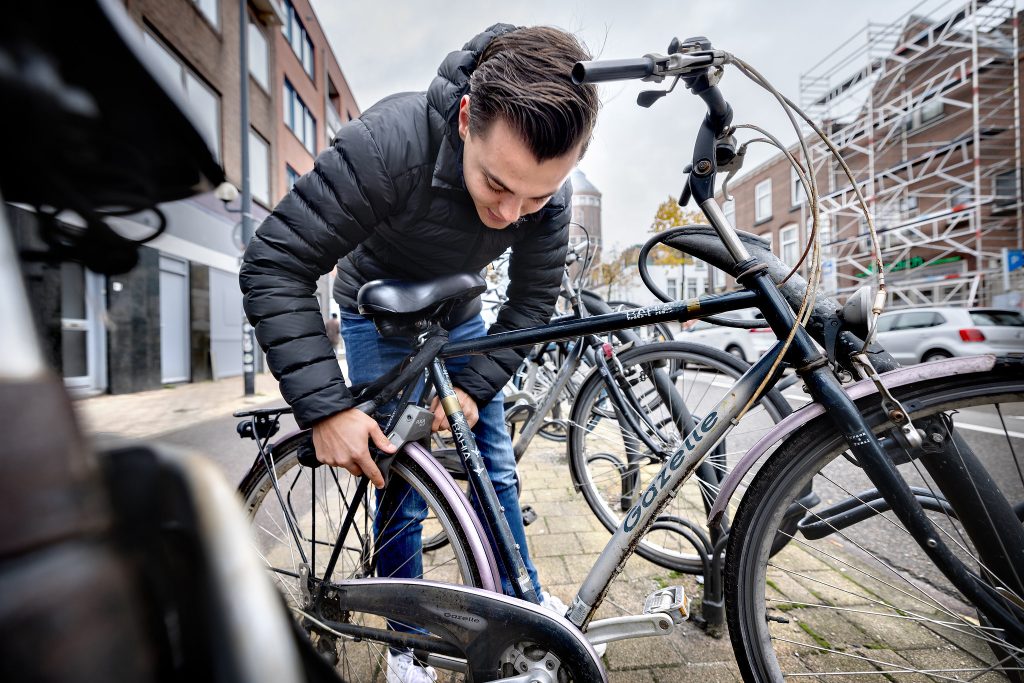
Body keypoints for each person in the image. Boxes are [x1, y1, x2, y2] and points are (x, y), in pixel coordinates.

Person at [240, 23, 598, 681]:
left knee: (494, 464)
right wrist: (325, 408)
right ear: (466, 118)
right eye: (496, 184)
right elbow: (275, 260)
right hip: (377, 314)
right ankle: (408, 644)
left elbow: (528, 304)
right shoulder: (390, 144)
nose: (512, 212)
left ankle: (523, 606)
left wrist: (474, 387)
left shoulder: (549, 194)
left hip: (459, 314)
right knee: (398, 485)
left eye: (537, 196)